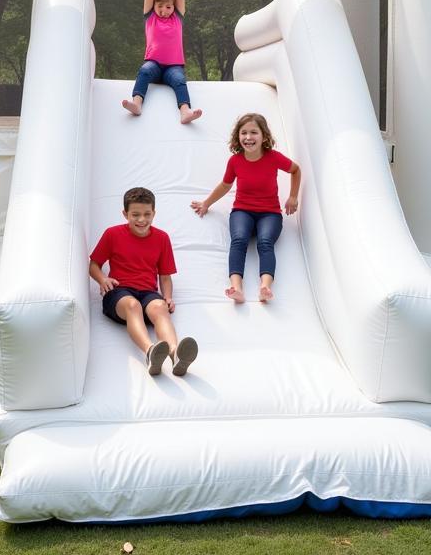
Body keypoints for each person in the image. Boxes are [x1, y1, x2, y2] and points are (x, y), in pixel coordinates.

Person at [191, 112, 301, 305]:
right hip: (243, 211)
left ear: (264, 136)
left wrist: (293, 196)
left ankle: (265, 287)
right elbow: (225, 185)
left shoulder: (273, 157)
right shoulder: (235, 161)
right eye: (244, 133)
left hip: (270, 213)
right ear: (238, 137)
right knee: (239, 240)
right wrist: (206, 203)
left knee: (265, 242)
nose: (248, 137)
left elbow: (295, 170)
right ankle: (237, 288)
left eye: (254, 132)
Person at [89, 187, 199, 377]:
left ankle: (175, 353)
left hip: (148, 293)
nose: (142, 220)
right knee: (133, 305)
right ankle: (150, 352)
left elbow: (165, 276)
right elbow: (94, 265)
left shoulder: (162, 238)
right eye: (135, 215)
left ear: (154, 213)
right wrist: (102, 279)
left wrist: (168, 297)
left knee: (159, 308)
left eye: (147, 214)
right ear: (125, 214)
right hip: (119, 291)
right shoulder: (112, 234)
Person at [122, 0, 203, 124]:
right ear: (154, 6)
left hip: (173, 67)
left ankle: (185, 111)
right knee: (144, 71)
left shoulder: (178, 18)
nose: (164, 10)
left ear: (174, 7)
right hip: (154, 65)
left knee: (180, 80)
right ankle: (137, 104)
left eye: (168, 7)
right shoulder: (150, 17)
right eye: (160, 6)